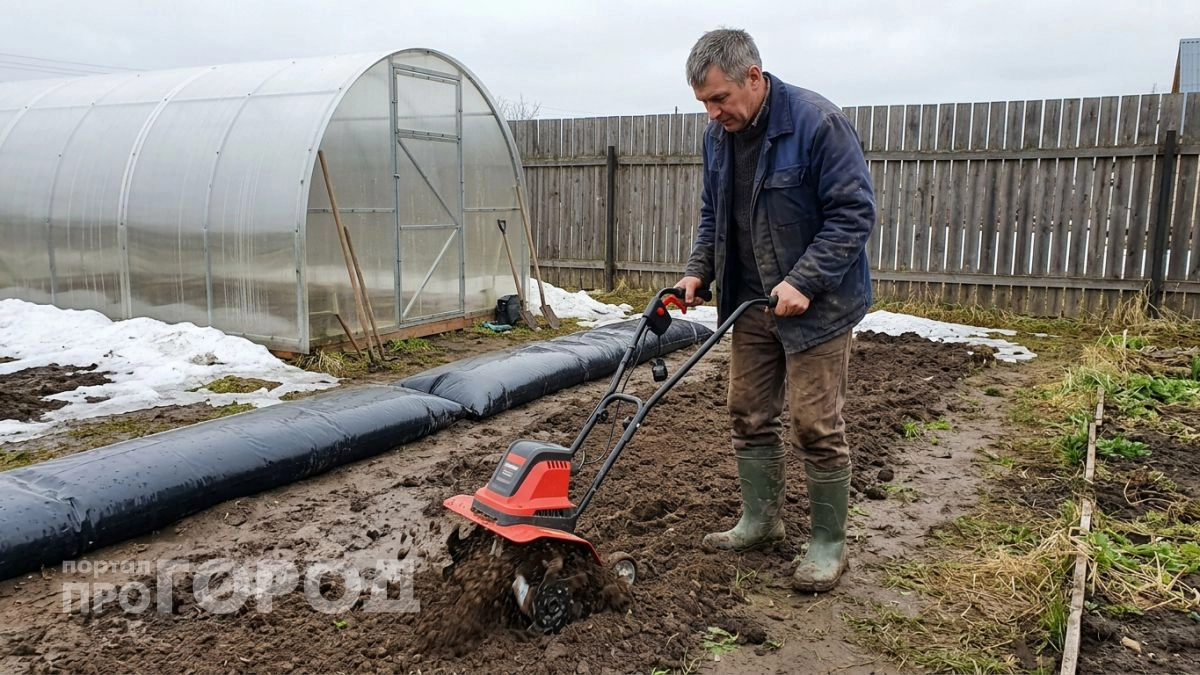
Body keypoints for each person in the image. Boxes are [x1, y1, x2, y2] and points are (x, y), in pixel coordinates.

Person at [674, 28, 875, 592]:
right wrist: (698, 270)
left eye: (719, 99)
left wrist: (804, 280)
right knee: (748, 413)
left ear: (754, 78)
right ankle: (761, 522)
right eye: (704, 103)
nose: (713, 113)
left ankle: (828, 544)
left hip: (817, 305)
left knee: (816, 424)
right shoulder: (718, 137)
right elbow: (714, 213)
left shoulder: (816, 122)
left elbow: (853, 215)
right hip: (750, 301)